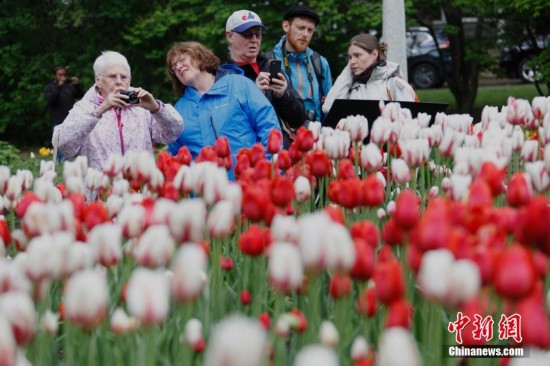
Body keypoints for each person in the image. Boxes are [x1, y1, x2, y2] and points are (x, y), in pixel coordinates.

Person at [165, 41, 281, 180]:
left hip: (249, 187)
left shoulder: (239, 85)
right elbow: (174, 157)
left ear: (200, 56)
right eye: (173, 67)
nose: (178, 66)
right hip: (205, 196)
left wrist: (268, 172)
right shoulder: (178, 111)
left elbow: (269, 128)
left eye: (182, 59)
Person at [53, 51, 183, 172]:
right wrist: (101, 109)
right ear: (98, 80)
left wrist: (157, 108)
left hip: (139, 189)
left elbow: (173, 132)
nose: (119, 81)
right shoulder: (84, 108)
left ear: (130, 79)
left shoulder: (142, 106)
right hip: (101, 191)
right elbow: (64, 145)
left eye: (124, 77)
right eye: (112, 76)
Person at [225, 9, 306, 148]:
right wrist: (253, 95)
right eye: (247, 35)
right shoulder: (223, 76)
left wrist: (283, 96)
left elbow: (298, 119)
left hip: (280, 153)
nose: (254, 40)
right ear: (230, 36)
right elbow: (225, 124)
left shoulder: (270, 66)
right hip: (248, 155)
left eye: (258, 34)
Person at [322, 33, 417, 114]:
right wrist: (348, 69)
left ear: (374, 54)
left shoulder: (396, 85)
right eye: (350, 57)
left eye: (357, 55)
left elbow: (411, 123)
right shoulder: (350, 89)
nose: (352, 62)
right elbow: (328, 108)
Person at [271, 5, 332, 124]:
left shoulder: (320, 62)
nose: (306, 34)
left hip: (315, 136)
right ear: (286, 26)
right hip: (283, 136)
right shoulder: (271, 60)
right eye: (301, 28)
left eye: (310, 30)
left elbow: (330, 106)